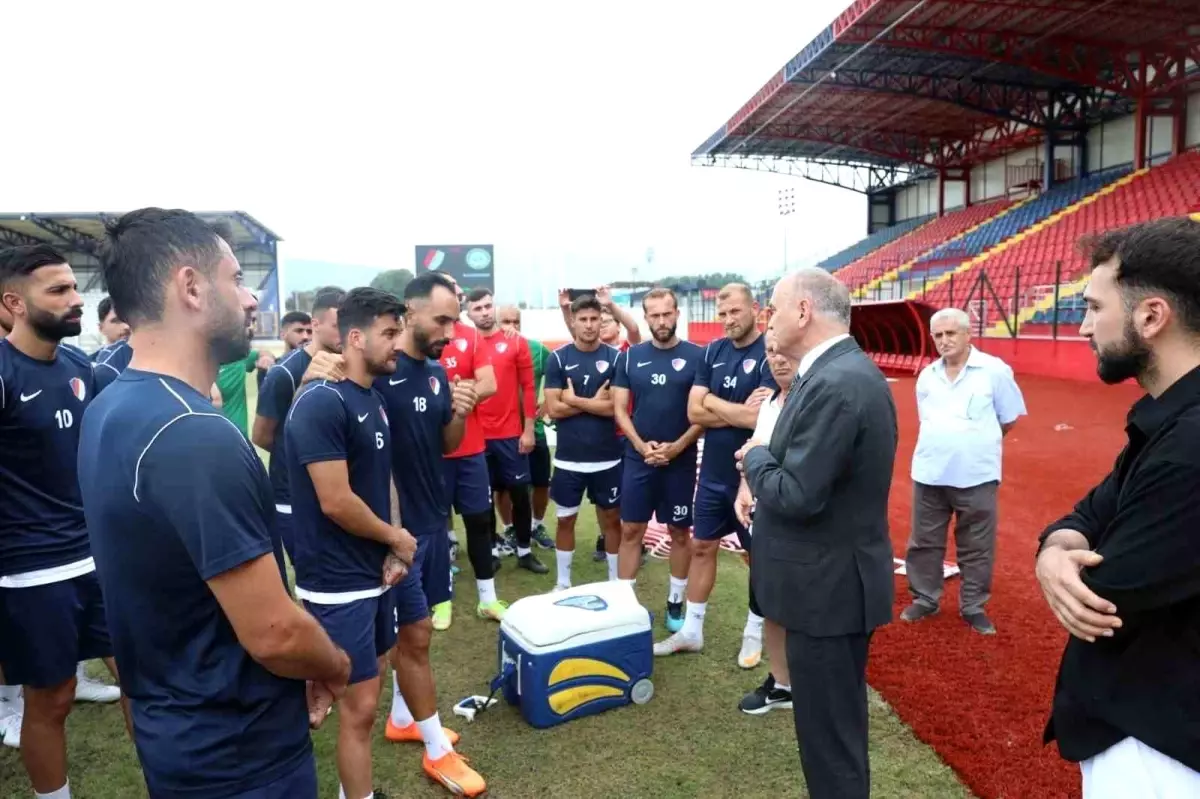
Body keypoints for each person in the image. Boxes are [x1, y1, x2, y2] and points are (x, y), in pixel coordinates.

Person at [77, 208, 351, 799]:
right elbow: (276, 633)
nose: (250, 300)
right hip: (237, 750)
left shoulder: (110, 406)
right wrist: (333, 664)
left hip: (175, 732)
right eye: (234, 279)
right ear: (191, 288)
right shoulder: (191, 432)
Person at [1035, 218, 1200, 797]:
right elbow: (1086, 514)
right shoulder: (1168, 421)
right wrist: (1054, 549)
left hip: (1163, 748)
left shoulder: (1189, 446)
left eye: (1093, 307)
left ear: (1151, 317)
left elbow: (1104, 595)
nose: (1082, 326)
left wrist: (1059, 562)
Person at [735, 267, 896, 799]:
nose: (769, 321)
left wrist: (755, 456)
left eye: (775, 309)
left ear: (803, 312)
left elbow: (797, 494)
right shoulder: (833, 374)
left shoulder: (836, 382)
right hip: (825, 586)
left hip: (827, 591)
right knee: (830, 735)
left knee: (830, 743)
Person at [0, 244, 129, 799]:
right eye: (58, 291)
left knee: (140, 677)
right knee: (49, 698)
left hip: (99, 557)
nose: (76, 300)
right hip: (32, 573)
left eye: (75, 288)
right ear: (14, 303)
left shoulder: (83, 367)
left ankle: (172, 781)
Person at [285, 287, 419, 799]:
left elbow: (380, 483)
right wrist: (398, 539)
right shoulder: (322, 401)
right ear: (356, 337)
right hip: (337, 583)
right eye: (389, 334)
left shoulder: (372, 398)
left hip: (373, 575)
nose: (397, 344)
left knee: (368, 694)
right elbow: (335, 502)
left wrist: (392, 546)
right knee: (357, 708)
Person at [375, 274, 488, 796]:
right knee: (413, 638)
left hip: (430, 521)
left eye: (454, 318)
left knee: (411, 635)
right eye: (441, 319)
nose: (450, 329)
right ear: (408, 314)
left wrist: (461, 411)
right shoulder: (379, 372)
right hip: (391, 533)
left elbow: (446, 443)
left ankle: (403, 717)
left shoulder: (439, 372)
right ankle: (437, 752)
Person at [656, 282, 775, 663]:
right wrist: (734, 409)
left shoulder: (770, 353)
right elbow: (694, 413)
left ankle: (754, 632)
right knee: (702, 546)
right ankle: (692, 631)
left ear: (755, 309)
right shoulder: (712, 352)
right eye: (721, 314)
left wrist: (712, 403)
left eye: (734, 312)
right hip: (712, 475)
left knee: (758, 555)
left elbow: (761, 418)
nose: (727, 320)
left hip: (752, 475)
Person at [902, 307, 1026, 635]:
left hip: (976, 475)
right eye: (938, 336)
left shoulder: (994, 371)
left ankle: (973, 606)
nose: (944, 341)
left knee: (976, 545)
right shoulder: (927, 376)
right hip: (929, 471)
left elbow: (1009, 417)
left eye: (951, 333)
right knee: (924, 542)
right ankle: (925, 598)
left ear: (968, 334)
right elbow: (926, 419)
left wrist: (977, 443)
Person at [611, 287, 704, 631]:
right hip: (639, 459)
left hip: (679, 460)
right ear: (646, 317)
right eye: (655, 315)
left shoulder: (698, 356)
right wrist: (641, 446)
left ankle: (676, 602)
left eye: (667, 314)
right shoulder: (631, 357)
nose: (661, 321)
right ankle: (625, 607)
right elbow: (620, 409)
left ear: (678, 314)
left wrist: (677, 447)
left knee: (680, 531)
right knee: (631, 529)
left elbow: (702, 413)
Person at [252, 288, 346, 561]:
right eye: (337, 326)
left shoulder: (350, 364)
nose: (345, 333)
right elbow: (262, 436)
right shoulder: (284, 373)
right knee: (313, 574)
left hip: (336, 495)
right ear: (315, 324)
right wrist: (302, 456)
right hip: (291, 496)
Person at [735, 339, 798, 715]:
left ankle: (809, 683)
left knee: (803, 607)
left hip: (799, 523)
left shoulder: (811, 403)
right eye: (771, 353)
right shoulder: (770, 404)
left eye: (785, 352)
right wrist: (744, 489)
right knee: (770, 603)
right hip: (767, 519)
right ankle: (782, 684)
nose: (777, 360)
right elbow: (755, 448)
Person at [543, 295, 623, 589]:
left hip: (608, 459)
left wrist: (573, 400)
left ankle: (616, 583)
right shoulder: (558, 358)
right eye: (584, 319)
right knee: (565, 520)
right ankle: (563, 583)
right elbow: (553, 409)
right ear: (573, 322)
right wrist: (592, 402)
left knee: (612, 521)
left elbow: (615, 408)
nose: (589, 326)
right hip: (568, 459)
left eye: (594, 319)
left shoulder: (616, 358)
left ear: (601, 321)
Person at [465, 288, 547, 574]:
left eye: (488, 306)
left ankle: (524, 551)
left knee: (519, 494)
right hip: (476, 437)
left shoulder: (514, 342)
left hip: (511, 434)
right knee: (482, 497)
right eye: (478, 308)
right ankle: (491, 550)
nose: (485, 312)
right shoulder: (463, 343)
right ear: (468, 313)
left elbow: (528, 387)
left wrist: (527, 431)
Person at [559, 286, 642, 561]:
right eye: (595, 320)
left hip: (621, 436)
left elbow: (633, 328)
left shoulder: (623, 353)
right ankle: (605, 540)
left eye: (604, 320)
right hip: (593, 441)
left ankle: (630, 544)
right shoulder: (577, 352)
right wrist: (564, 309)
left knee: (618, 502)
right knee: (601, 501)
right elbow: (577, 335)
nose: (597, 324)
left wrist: (575, 401)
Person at [495, 304, 555, 549]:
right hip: (502, 432)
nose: (512, 326)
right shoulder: (488, 350)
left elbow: (555, 378)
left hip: (535, 430)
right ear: (497, 323)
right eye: (506, 321)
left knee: (542, 483)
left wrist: (547, 403)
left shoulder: (538, 350)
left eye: (516, 321)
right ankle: (510, 529)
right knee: (504, 487)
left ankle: (535, 525)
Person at [256, 310, 314, 390]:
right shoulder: (270, 368)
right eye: (299, 331)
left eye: (309, 332)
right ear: (283, 334)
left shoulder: (317, 366)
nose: (305, 337)